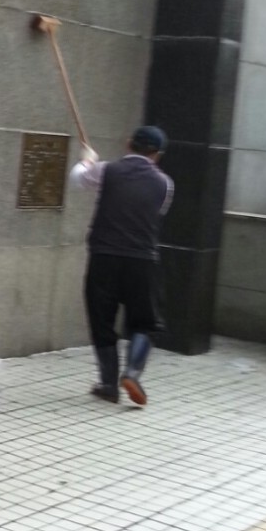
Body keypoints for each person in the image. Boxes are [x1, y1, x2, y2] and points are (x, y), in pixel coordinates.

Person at [69, 126, 173, 407]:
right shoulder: (165, 184)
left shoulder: (106, 170)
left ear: (128, 144)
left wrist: (87, 160)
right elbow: (156, 212)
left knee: (101, 319)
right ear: (157, 154)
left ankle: (108, 384)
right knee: (146, 322)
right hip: (142, 260)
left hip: (104, 256)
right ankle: (133, 373)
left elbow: (77, 179)